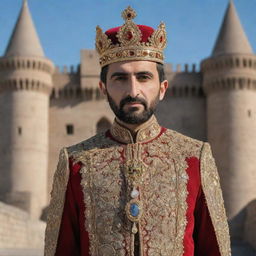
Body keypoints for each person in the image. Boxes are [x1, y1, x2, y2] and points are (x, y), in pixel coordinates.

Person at [44, 6, 231, 256]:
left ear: (162, 88)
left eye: (143, 77)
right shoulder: (75, 162)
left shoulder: (195, 157)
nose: (133, 90)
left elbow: (213, 249)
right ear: (103, 88)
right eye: (120, 78)